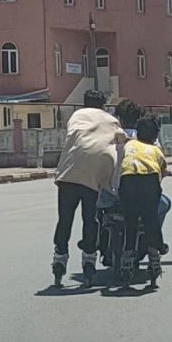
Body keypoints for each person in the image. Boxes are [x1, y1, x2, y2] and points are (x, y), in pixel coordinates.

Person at [52, 90, 126, 287]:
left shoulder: (77, 115)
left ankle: (59, 258)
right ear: (103, 106)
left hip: (69, 170)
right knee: (90, 218)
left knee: (65, 218)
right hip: (95, 171)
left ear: (85, 104)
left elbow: (73, 134)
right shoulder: (112, 120)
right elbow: (121, 141)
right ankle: (89, 262)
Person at [99, 100, 171, 255]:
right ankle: (152, 242)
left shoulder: (111, 137)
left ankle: (99, 241)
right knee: (163, 205)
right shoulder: (150, 142)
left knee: (96, 204)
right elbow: (159, 169)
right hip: (143, 193)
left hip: (113, 193)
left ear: (118, 118)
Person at [118, 115, 169, 283]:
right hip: (149, 181)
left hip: (128, 181)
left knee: (130, 222)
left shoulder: (129, 144)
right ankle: (155, 253)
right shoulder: (156, 150)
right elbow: (161, 171)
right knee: (150, 220)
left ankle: (127, 257)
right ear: (155, 137)